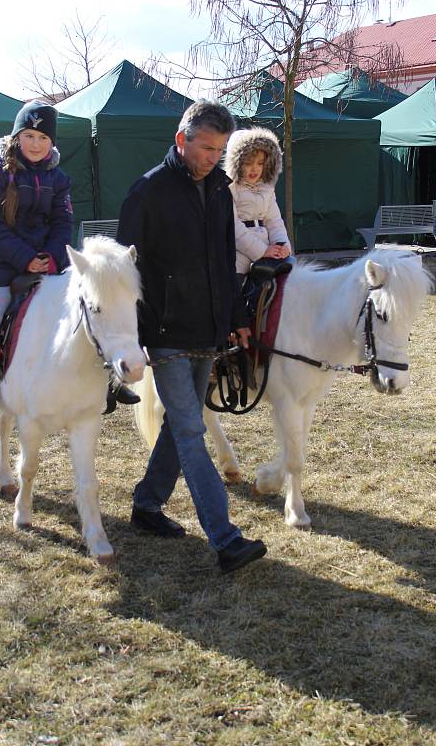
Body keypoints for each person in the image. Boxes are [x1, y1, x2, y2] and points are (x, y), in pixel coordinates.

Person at [117, 100, 267, 574]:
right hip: (163, 333)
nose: (213, 157)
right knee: (189, 429)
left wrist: (237, 314)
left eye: (220, 149)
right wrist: (135, 335)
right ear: (181, 141)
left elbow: (226, 261)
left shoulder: (221, 190)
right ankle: (225, 539)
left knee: (179, 426)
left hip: (208, 329)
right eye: (206, 147)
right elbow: (125, 271)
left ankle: (146, 504)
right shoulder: (147, 192)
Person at [0, 100, 73, 441]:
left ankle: (106, 384)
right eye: (28, 135)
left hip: (46, 263)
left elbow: (64, 223)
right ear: (16, 136)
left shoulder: (59, 178)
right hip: (0, 266)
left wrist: (50, 258)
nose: (36, 143)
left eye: (43, 137)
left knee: (89, 308)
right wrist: (24, 258)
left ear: (52, 142)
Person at [224, 127, 292, 284]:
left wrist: (282, 245)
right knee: (233, 290)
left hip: (268, 249)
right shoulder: (229, 189)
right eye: (248, 163)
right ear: (237, 163)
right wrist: (261, 251)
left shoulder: (267, 189)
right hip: (238, 252)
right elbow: (233, 228)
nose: (255, 168)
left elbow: (274, 222)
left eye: (260, 163)